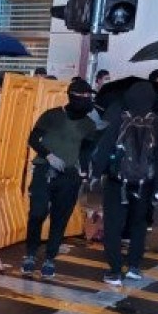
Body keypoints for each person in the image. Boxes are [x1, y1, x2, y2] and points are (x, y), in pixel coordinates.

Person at [91, 81, 158, 285]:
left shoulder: (119, 119)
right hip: (145, 184)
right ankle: (134, 267)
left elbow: (105, 148)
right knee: (139, 225)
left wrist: (96, 174)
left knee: (114, 226)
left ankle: (115, 271)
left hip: (117, 183)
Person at [21, 78, 99, 278]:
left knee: (60, 217)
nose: (86, 100)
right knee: (37, 213)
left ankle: (49, 258)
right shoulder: (52, 116)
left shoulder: (89, 124)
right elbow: (32, 138)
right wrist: (48, 155)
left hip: (70, 175)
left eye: (88, 97)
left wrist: (84, 172)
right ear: (71, 96)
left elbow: (87, 150)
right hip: (44, 170)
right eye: (82, 96)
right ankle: (30, 253)